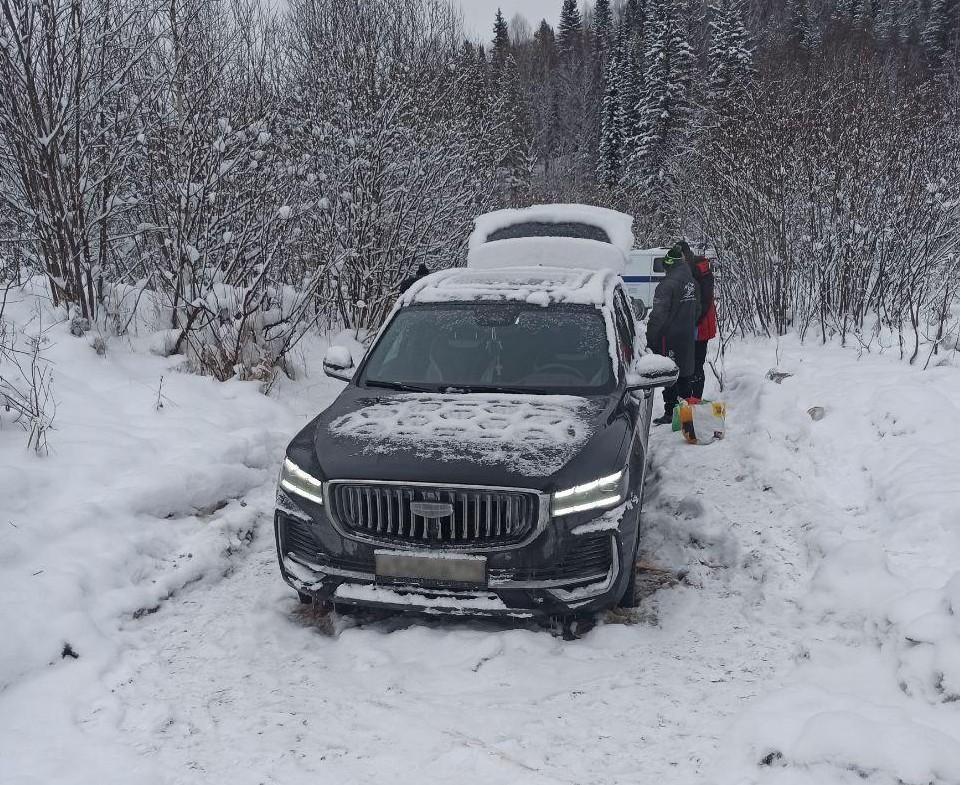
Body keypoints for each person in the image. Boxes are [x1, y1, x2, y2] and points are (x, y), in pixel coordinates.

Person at [646, 244, 699, 425]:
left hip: (669, 338)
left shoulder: (666, 285)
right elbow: (698, 310)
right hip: (687, 336)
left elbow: (658, 316)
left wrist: (650, 337)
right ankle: (685, 413)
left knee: (670, 375)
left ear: (669, 265)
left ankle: (671, 412)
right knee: (685, 373)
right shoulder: (693, 282)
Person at [678, 241, 717, 400]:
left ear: (686, 255)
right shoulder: (682, 270)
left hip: (699, 326)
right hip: (686, 326)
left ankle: (695, 402)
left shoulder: (701, 270)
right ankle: (684, 403)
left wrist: (692, 320)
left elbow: (705, 300)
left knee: (696, 365)